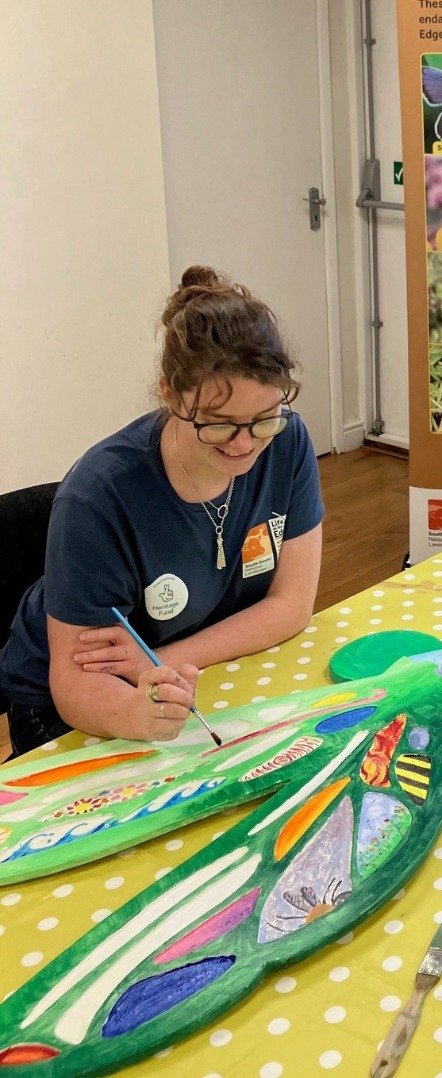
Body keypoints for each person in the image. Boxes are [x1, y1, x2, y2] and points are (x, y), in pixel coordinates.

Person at [0, 266, 324, 756]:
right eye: (218, 424)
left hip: (181, 666)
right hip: (68, 704)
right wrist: (137, 710)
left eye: (263, 420)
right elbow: (74, 685)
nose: (244, 445)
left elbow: (292, 604)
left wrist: (159, 660)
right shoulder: (97, 498)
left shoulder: (287, 441)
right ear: (169, 395)